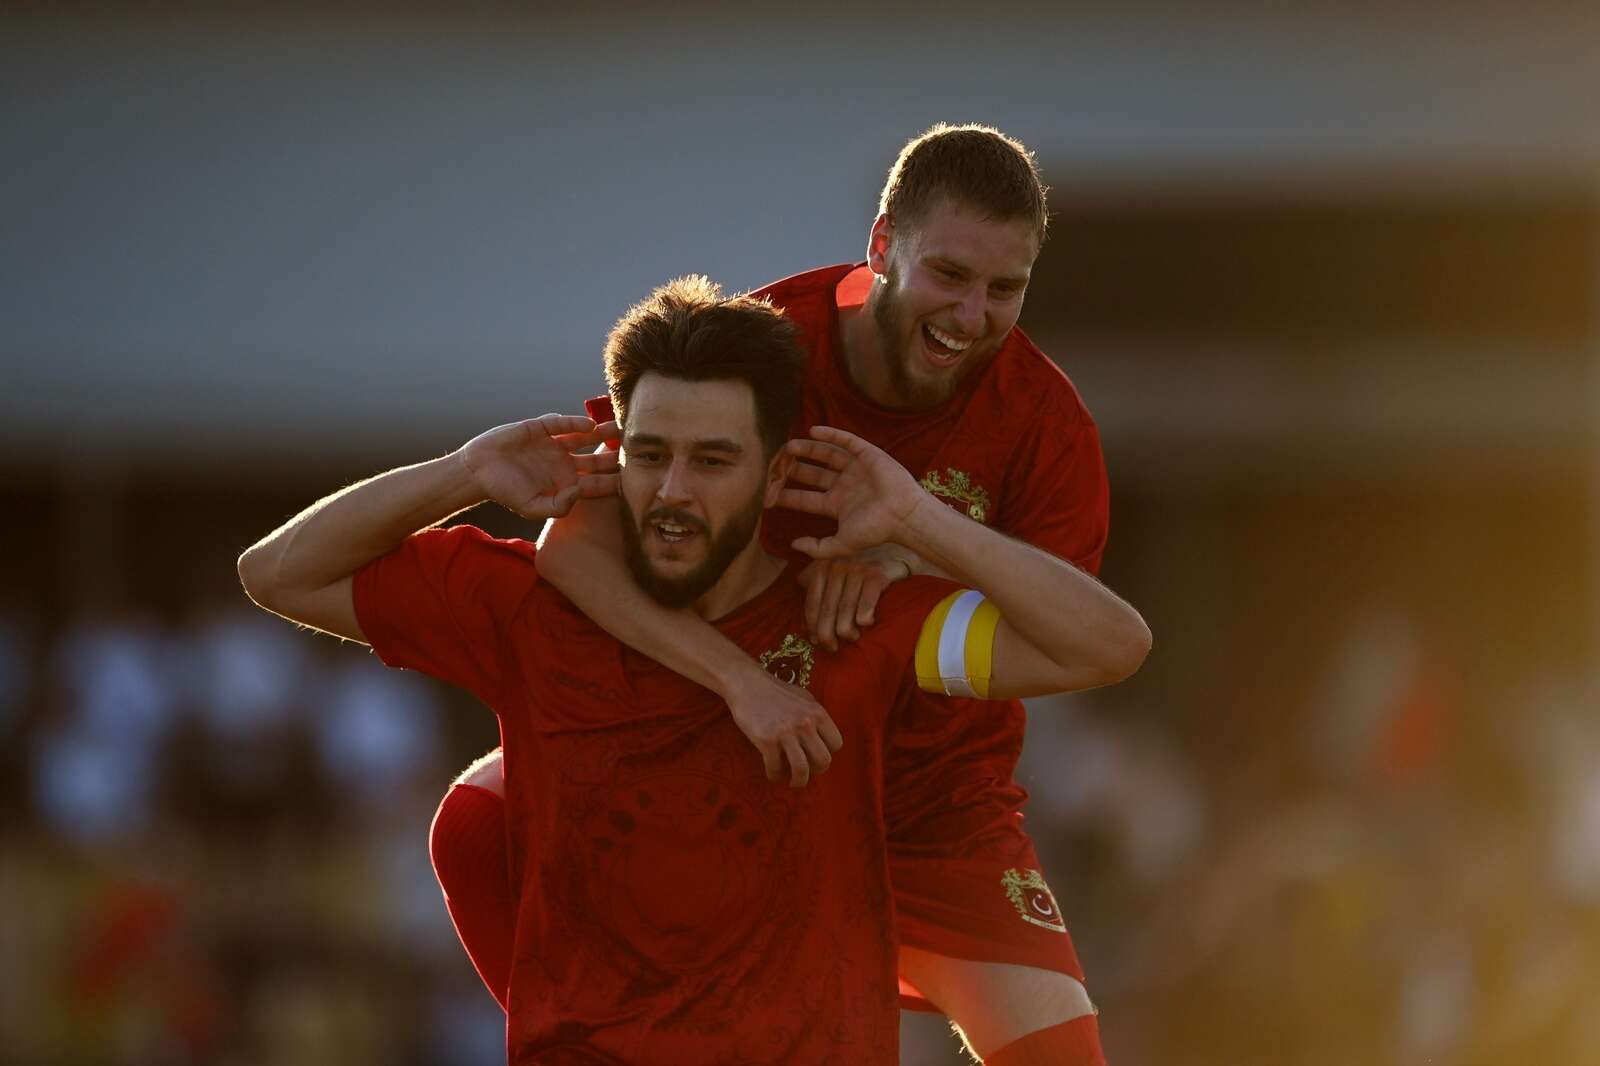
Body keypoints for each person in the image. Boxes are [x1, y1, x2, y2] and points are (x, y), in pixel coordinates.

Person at [237, 276, 1150, 1063]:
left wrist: (917, 519)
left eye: (713, 461)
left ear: (776, 474)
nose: (673, 492)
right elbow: (277, 573)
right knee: (472, 815)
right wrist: (465, 472)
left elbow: (1106, 645)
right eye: (651, 455)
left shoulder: (851, 623)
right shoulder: (528, 609)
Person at [434, 125, 1123, 1063]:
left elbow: (1082, 633)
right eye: (949, 274)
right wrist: (738, 680)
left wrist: (913, 538)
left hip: (932, 804)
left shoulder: (1047, 425)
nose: (971, 315)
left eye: (1006, 289)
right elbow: (574, 552)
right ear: (882, 245)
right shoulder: (765, 349)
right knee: (479, 819)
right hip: (746, 762)